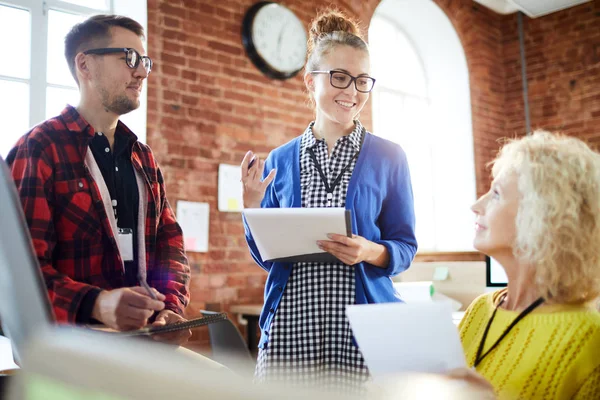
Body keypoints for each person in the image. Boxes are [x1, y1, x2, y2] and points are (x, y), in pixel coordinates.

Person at [241, 9, 417, 391]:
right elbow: (266, 258)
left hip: (361, 334)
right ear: (310, 81)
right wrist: (253, 207)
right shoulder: (280, 159)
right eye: (339, 77)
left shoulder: (390, 157)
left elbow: (405, 246)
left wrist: (369, 251)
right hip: (292, 327)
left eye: (362, 81)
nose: (352, 92)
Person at [7, 15, 191, 345]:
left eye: (145, 61)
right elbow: (16, 275)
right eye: (129, 58)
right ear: (85, 65)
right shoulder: (40, 149)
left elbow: (170, 244)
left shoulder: (143, 157)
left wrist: (170, 308)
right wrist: (96, 304)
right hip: (66, 355)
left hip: (143, 346)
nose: (142, 72)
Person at [459, 131, 600, 399]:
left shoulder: (589, 339)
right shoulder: (479, 309)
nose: (476, 205)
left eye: (496, 194)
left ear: (544, 216)